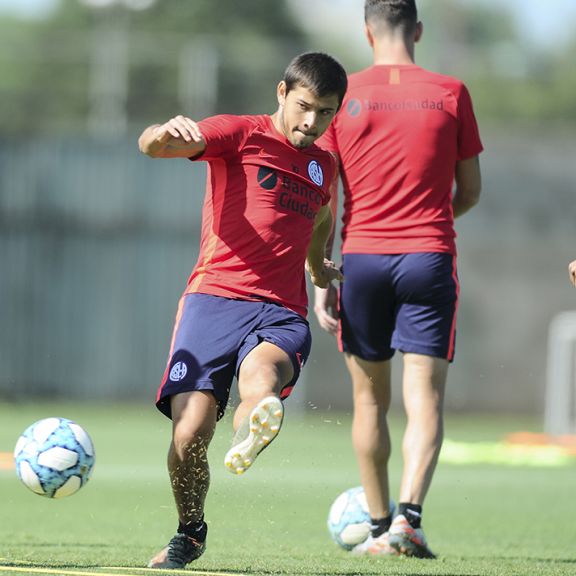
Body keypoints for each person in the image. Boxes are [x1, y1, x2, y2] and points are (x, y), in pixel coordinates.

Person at [137, 51, 347, 570]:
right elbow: (153, 146)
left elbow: (321, 218)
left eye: (325, 113)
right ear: (281, 93)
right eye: (303, 107)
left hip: (281, 311)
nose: (311, 122)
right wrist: (161, 133)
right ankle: (191, 531)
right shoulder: (239, 133)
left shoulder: (325, 163)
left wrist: (319, 269)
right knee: (188, 435)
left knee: (261, 379)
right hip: (213, 299)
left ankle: (254, 423)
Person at [314, 0, 482, 559]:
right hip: (429, 258)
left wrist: (322, 276)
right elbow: (471, 191)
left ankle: (381, 526)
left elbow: (324, 200)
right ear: (418, 30)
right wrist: (428, 221)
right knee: (424, 399)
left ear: (367, 33)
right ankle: (410, 519)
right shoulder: (451, 92)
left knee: (369, 405)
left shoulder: (344, 96)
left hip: (360, 260)